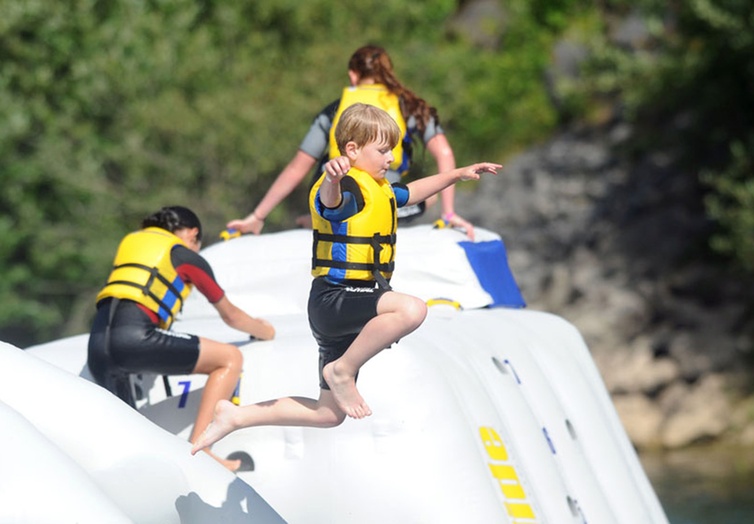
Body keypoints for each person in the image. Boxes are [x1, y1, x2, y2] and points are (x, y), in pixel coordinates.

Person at [191, 103, 500, 454]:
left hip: (348, 306)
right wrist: (333, 178)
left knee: (328, 414)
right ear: (352, 150)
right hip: (336, 299)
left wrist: (456, 174)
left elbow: (413, 192)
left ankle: (235, 417)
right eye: (383, 151)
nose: (391, 159)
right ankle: (342, 370)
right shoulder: (347, 188)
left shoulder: (380, 189)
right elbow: (331, 201)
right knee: (411, 310)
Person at [87, 206, 275, 471]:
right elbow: (231, 316)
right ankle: (203, 448)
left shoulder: (132, 242)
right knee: (230, 358)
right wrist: (265, 330)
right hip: (136, 342)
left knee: (128, 437)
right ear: (193, 234)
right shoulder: (185, 256)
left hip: (96, 350)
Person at [227, 44, 481, 239]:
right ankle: (328, 215)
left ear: (353, 75)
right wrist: (448, 213)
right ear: (389, 73)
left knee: (330, 187)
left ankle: (319, 216)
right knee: (427, 196)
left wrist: (258, 216)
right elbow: (444, 153)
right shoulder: (410, 107)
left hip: (336, 196)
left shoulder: (334, 110)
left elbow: (298, 166)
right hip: (379, 201)